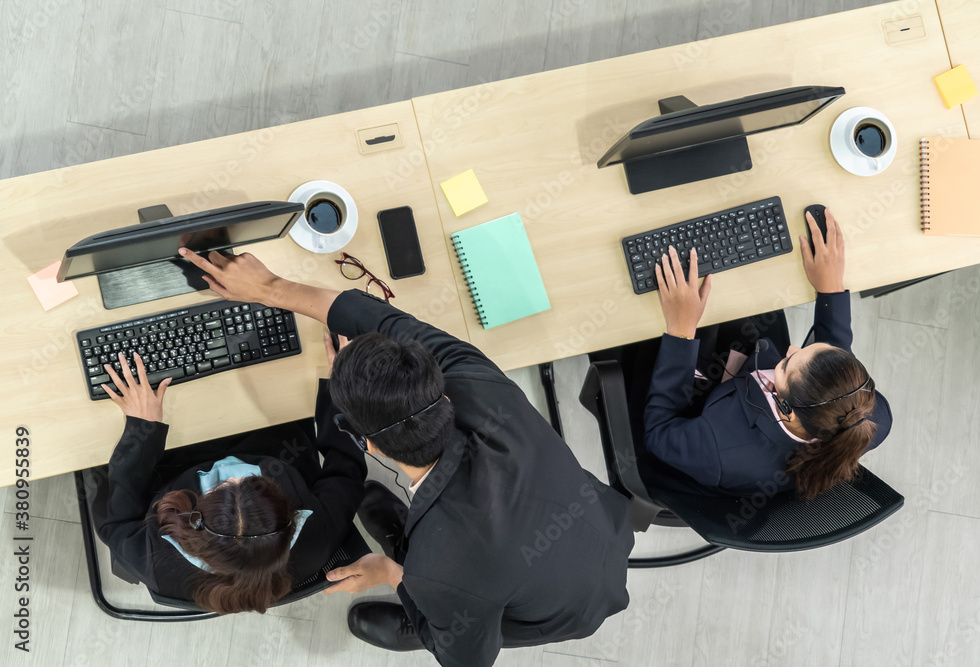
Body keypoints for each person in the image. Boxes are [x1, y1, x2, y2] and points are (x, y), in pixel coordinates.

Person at [177, 246, 634, 667]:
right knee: (441, 567)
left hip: (549, 606)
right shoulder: (483, 385)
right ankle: (404, 541)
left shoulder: (442, 567)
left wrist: (390, 572)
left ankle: (414, 615)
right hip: (596, 525)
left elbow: (468, 660)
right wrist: (272, 289)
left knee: (442, 615)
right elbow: (395, 324)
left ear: (368, 445)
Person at [92, 334, 366, 614]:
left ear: (195, 523)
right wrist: (342, 389)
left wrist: (142, 430)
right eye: (251, 481)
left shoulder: (156, 562)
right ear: (292, 517)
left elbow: (114, 518)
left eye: (222, 487)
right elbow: (347, 470)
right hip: (272, 434)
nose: (234, 472)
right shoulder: (316, 538)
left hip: (174, 455)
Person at [642, 208, 892, 498]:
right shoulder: (870, 417)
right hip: (746, 371)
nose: (792, 348)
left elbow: (658, 433)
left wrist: (681, 331)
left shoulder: (718, 449)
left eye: (786, 364)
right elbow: (835, 373)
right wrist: (831, 290)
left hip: (703, 409)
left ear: (785, 407)